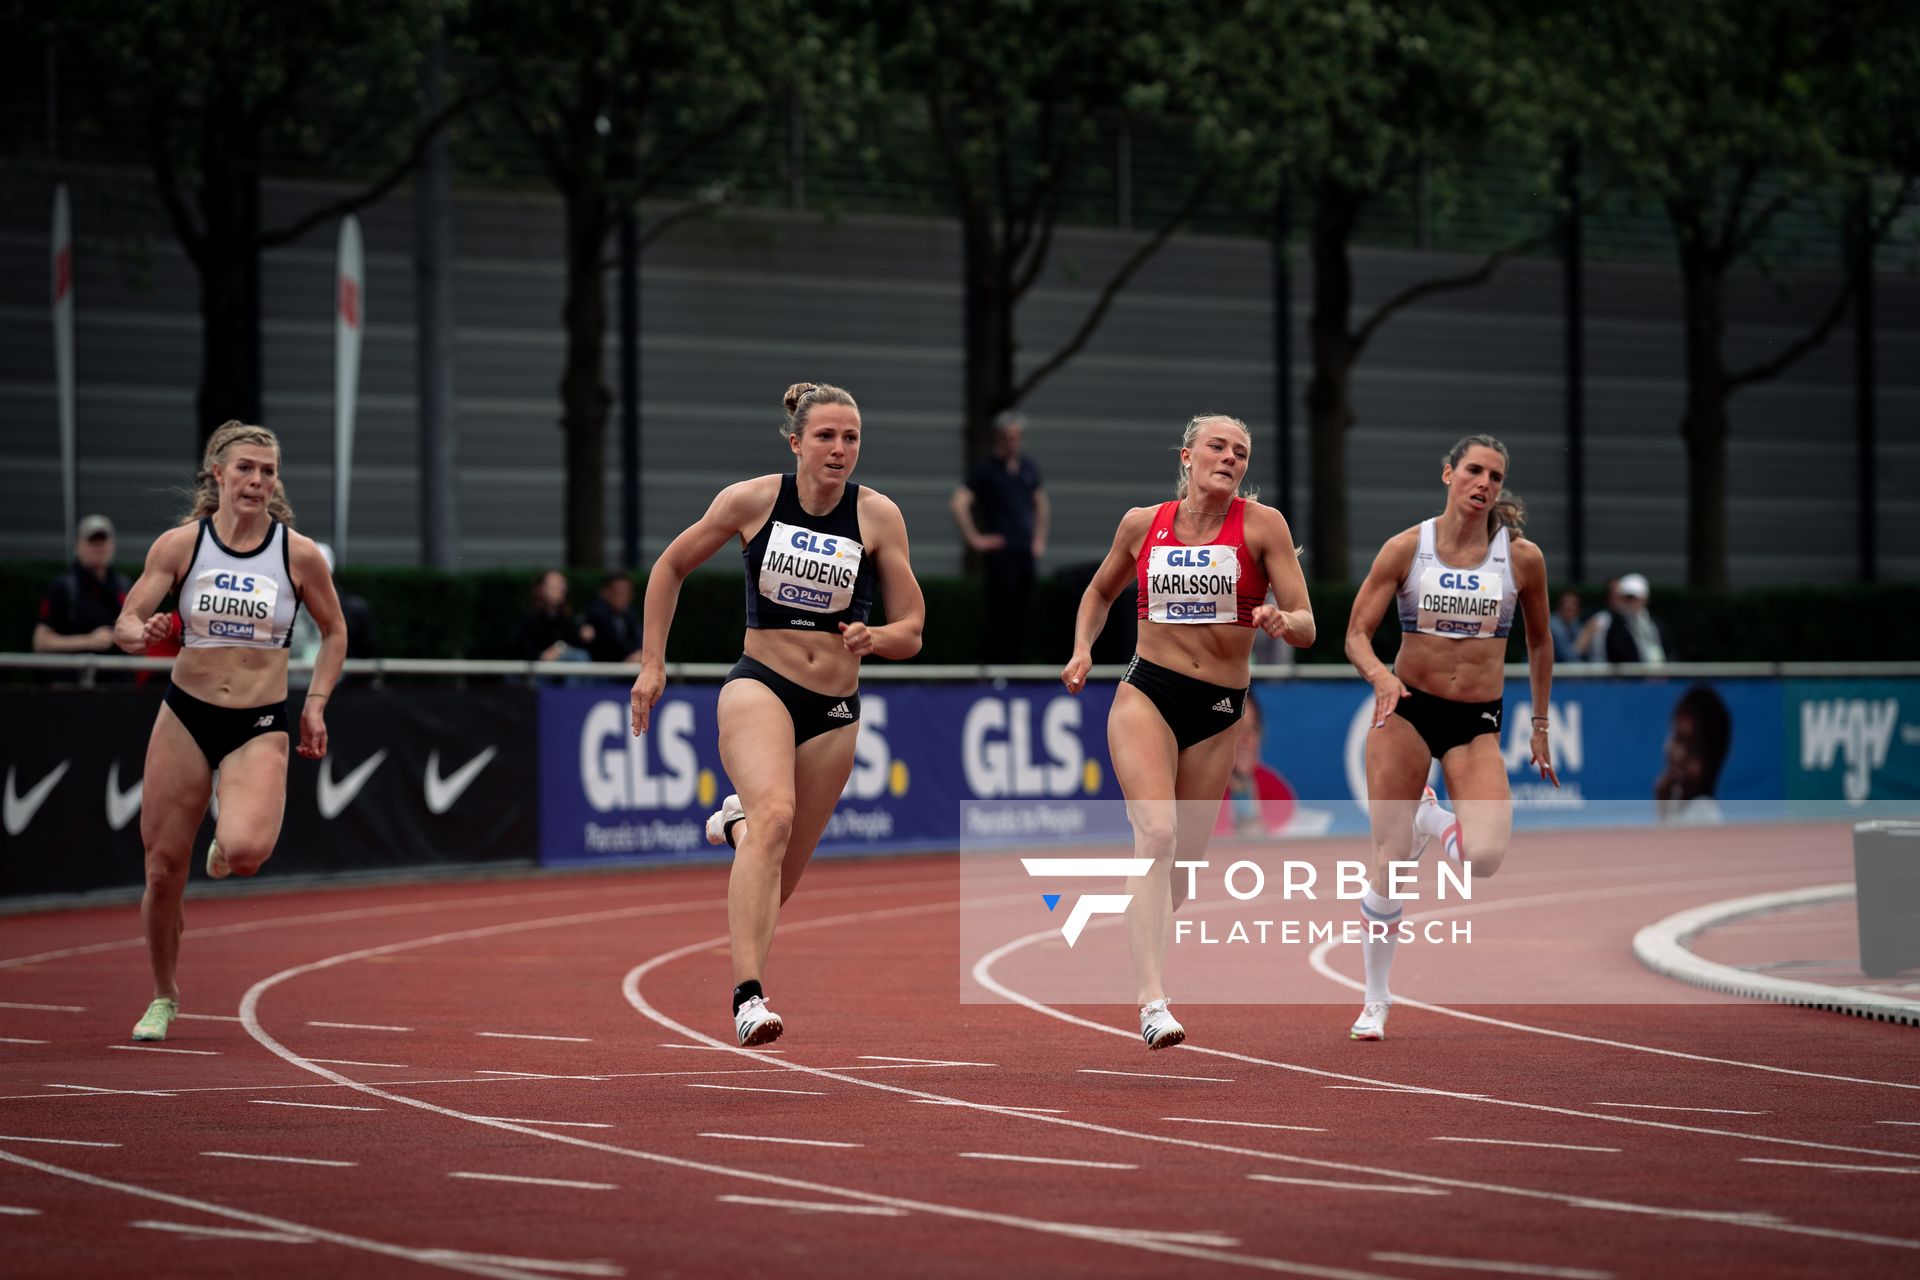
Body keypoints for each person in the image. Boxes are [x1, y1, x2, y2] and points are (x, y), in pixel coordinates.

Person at [630, 381, 925, 1047]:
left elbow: (913, 629)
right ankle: (748, 997)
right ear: (796, 442)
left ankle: (738, 829)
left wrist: (873, 638)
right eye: (826, 436)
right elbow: (670, 567)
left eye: (851, 438)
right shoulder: (752, 501)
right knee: (776, 816)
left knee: (780, 879)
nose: (840, 449)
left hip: (836, 708)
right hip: (760, 684)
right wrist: (654, 662)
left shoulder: (877, 517)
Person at [1061, 413, 1314, 1050]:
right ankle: (1153, 1002)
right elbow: (1098, 594)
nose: (1229, 458)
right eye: (1217, 447)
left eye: (1241, 452)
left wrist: (1284, 621)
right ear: (1188, 455)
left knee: (1181, 870)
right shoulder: (1142, 524)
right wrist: (1082, 649)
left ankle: (1137, 928)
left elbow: (1310, 624)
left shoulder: (1263, 527)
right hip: (1148, 690)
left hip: (1220, 708)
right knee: (1157, 832)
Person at [111, 421, 345, 1042]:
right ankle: (164, 995)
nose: (257, 481)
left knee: (244, 854)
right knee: (162, 870)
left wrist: (316, 702)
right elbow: (127, 622)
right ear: (218, 474)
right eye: (245, 468)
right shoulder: (180, 546)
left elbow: (336, 632)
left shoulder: (297, 554)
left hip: (258, 723)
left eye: (268, 471)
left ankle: (224, 841)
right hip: (185, 715)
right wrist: (143, 634)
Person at [1342, 433, 1557, 1041]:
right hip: (1407, 711)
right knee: (1387, 862)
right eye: (1473, 470)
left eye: (1494, 475)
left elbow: (1540, 643)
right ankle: (1376, 1000)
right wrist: (1382, 677)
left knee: (1484, 859)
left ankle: (1430, 822)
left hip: (1475, 721)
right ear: (1448, 474)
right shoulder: (1408, 548)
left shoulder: (1521, 560)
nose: (1483, 483)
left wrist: (1539, 724)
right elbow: (1357, 634)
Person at [951, 411, 1048, 663]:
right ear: (999, 437)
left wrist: (1038, 539)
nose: (1013, 442)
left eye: (1017, 436)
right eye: (1008, 436)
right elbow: (959, 502)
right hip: (1000, 553)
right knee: (1000, 611)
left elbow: (1041, 504)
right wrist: (975, 539)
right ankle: (996, 666)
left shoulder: (1028, 468)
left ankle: (1017, 666)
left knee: (1023, 612)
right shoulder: (985, 469)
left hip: (1024, 550)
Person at [34, 514, 130, 657]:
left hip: (118, 677)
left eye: (102, 541)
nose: (98, 547)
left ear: (112, 546)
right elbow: (41, 642)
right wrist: (88, 641)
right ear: (78, 546)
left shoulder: (123, 585)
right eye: (92, 541)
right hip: (75, 677)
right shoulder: (64, 587)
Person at [288, 543, 375, 689]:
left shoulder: (354, 608)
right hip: (292, 688)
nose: (313, 576)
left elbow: (365, 653)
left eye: (319, 570)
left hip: (341, 691)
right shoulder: (285, 605)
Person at [1655, 684, 1732, 824]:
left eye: (1694, 749)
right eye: (1677, 738)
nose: (1680, 755)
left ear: (1713, 760)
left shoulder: (1703, 814)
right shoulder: (1675, 806)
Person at [508, 570, 594, 665]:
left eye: (562, 586)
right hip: (535, 669)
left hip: (559, 670)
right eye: (554, 587)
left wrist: (582, 636)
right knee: (579, 657)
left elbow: (570, 640)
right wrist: (542, 655)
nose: (561, 590)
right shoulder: (529, 617)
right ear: (540, 589)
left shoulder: (565, 617)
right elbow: (518, 648)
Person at [1600, 572, 1675, 665]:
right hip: (1633, 678)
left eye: (1634, 598)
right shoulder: (1614, 624)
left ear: (1645, 598)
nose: (1630, 602)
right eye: (1627, 598)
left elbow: (1670, 650)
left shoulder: (1657, 623)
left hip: (1662, 676)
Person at [582, 571, 643, 664]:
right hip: (602, 670)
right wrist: (632, 655)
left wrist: (639, 653)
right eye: (620, 593)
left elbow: (639, 637)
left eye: (628, 593)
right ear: (606, 593)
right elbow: (613, 644)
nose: (625, 598)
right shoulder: (597, 612)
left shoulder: (629, 613)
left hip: (627, 665)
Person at [1548, 589, 1586, 665]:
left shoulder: (1575, 623)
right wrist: (1588, 633)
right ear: (1559, 606)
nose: (1569, 606)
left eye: (1574, 603)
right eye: (1566, 602)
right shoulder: (1552, 625)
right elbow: (1569, 657)